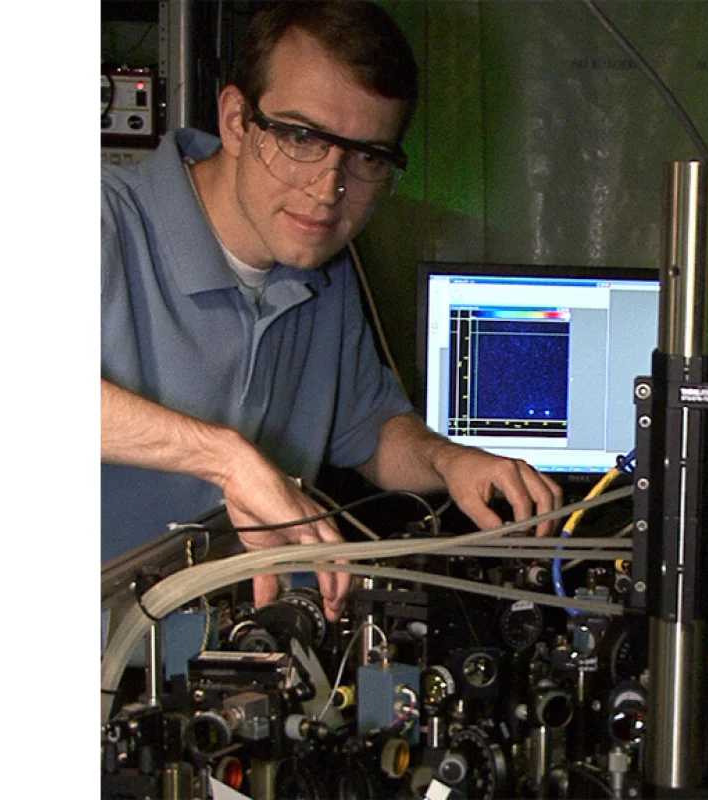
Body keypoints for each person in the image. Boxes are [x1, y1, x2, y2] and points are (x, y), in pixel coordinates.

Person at [101, 0, 562, 624]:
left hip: (232, 672)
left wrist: (447, 458)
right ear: (237, 120)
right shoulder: (104, 220)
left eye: (367, 157)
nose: (328, 190)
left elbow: (369, 432)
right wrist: (227, 459)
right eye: (301, 137)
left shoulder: (321, 265)